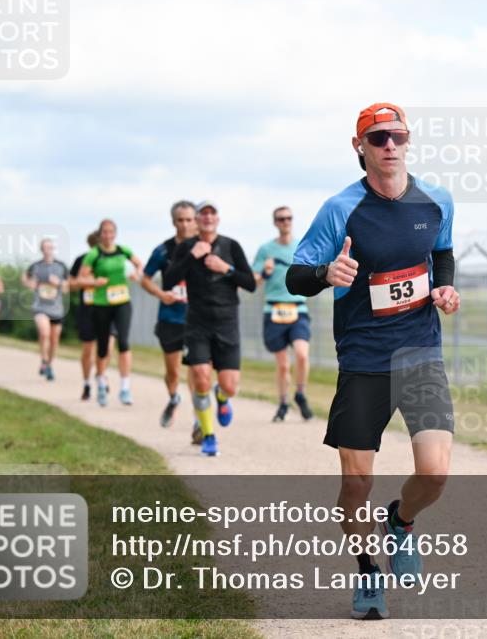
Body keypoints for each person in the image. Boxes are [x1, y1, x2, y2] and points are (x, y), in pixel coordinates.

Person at [286, 103, 459, 620]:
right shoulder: (340, 208)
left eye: (397, 136)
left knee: (435, 473)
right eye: (378, 137)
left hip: (421, 352)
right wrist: (325, 275)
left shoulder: (437, 199)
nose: (389, 146)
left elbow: (442, 250)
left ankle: (401, 522)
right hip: (363, 359)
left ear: (409, 141)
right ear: (359, 145)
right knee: (355, 483)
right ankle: (367, 570)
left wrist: (446, 285)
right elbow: (297, 275)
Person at [163, 200, 256, 457]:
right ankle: (208, 435)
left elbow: (250, 283)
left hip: (227, 321)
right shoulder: (186, 248)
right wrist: (191, 257)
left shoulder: (231, 246)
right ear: (196, 220)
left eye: (211, 213)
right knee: (201, 377)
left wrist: (226, 268)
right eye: (202, 214)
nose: (207, 217)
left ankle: (223, 398)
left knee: (230, 386)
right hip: (197, 322)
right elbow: (169, 280)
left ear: (217, 219)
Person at [141, 200, 200, 435]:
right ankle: (174, 397)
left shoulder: (204, 246)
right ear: (173, 222)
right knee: (173, 371)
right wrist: (161, 294)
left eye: (189, 219)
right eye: (180, 220)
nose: (185, 225)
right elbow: (145, 278)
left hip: (196, 318)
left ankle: (199, 421)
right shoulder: (163, 250)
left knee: (197, 370)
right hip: (170, 317)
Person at [252, 206, 314, 422]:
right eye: (281, 219)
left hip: (298, 308)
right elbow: (254, 281)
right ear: (275, 222)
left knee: (302, 354)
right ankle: (283, 402)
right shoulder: (265, 250)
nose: (285, 222)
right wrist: (265, 272)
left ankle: (300, 394)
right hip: (274, 309)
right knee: (283, 364)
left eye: (288, 218)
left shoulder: (302, 246)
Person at [78, 219, 143, 407]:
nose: (107, 235)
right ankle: (100, 384)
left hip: (122, 301)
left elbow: (139, 265)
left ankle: (125, 388)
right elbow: (82, 277)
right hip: (101, 303)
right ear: (100, 235)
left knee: (123, 342)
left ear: (115, 234)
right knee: (103, 347)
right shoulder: (94, 254)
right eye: (104, 232)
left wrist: (136, 274)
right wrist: (94, 281)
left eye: (111, 232)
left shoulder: (123, 250)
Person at [22, 239, 70, 381]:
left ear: (53, 248)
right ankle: (43, 360)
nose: (47, 250)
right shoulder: (35, 266)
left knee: (54, 340)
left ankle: (49, 365)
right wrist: (29, 283)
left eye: (49, 247)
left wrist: (59, 283)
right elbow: (24, 278)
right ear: (41, 250)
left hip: (56, 308)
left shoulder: (61, 266)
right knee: (44, 334)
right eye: (44, 248)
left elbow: (67, 288)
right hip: (40, 307)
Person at [69, 231, 101, 400]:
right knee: (88, 349)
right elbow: (71, 284)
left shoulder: (112, 260)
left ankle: (100, 375)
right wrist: (90, 282)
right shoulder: (81, 260)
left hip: (109, 308)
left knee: (107, 346)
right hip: (88, 308)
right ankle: (87, 382)